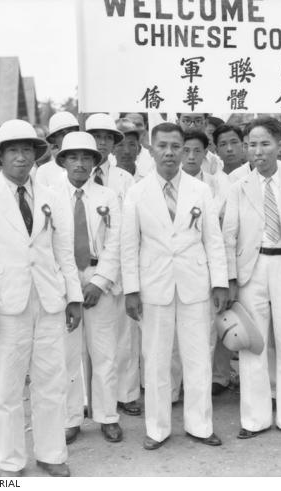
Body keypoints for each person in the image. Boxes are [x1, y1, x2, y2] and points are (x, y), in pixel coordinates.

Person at [0, 119, 82, 477]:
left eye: (28, 149)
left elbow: (64, 253)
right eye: (13, 150)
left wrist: (72, 296)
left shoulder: (51, 197)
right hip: (5, 305)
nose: (22, 157)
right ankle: (11, 462)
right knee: (8, 389)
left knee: (51, 382)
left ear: (36, 155)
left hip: (48, 302)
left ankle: (52, 454)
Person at [121, 122, 228, 450]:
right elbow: (129, 244)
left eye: (175, 147)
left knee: (197, 357)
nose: (169, 152)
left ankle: (200, 424)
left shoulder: (201, 190)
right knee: (155, 359)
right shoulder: (137, 192)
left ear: (184, 151)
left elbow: (213, 240)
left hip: (195, 283)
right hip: (154, 285)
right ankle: (157, 428)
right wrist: (131, 289)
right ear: (151, 149)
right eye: (162, 146)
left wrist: (220, 283)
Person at [222, 117, 281, 440]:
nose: (258, 151)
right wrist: (232, 278)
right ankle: (254, 418)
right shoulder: (238, 187)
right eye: (252, 144)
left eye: (265, 144)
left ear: (280, 146)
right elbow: (230, 235)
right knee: (253, 345)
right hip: (253, 269)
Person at [55, 131, 125, 444]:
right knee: (68, 355)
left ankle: (108, 415)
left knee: (104, 353)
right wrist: (70, 287)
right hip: (64, 282)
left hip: (99, 279)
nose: (80, 164)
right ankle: (71, 418)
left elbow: (116, 243)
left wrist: (99, 282)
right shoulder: (50, 197)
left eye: (86, 158)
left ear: (95, 162)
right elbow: (49, 247)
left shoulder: (107, 197)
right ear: (63, 161)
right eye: (73, 157)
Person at [86, 113, 141, 417]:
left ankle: (127, 393)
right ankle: (87, 399)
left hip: (120, 261)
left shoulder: (124, 178)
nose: (102, 143)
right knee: (89, 339)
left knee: (125, 335)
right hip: (86, 262)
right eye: (97, 136)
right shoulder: (72, 174)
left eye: (108, 138)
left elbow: (129, 226)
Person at [182, 130, 233, 395]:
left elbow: (220, 231)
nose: (191, 156)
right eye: (185, 150)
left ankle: (210, 382)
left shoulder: (218, 183)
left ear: (206, 153)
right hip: (178, 268)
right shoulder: (163, 183)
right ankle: (179, 385)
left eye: (197, 151)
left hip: (211, 261)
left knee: (209, 328)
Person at [35, 112, 79, 189]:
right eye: (63, 134)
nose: (68, 137)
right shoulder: (44, 171)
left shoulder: (90, 165)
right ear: (54, 139)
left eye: (72, 132)